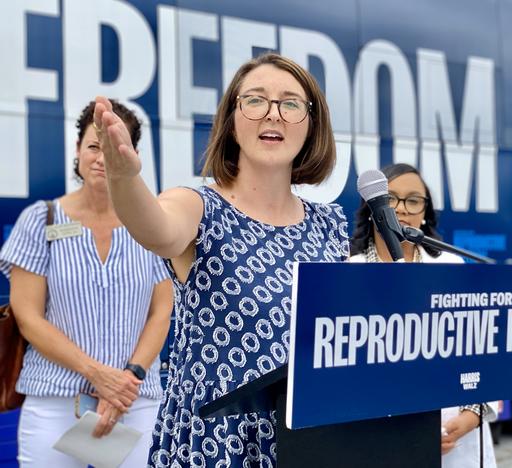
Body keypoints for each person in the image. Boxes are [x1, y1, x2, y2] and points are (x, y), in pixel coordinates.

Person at [92, 53, 349, 467]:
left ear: (311, 125)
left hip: (308, 438)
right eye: (256, 100)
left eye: (290, 103)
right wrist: (125, 179)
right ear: (232, 119)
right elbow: (157, 229)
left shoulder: (329, 224)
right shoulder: (198, 205)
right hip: (217, 443)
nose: (273, 114)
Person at [0, 99, 174, 467]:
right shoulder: (40, 220)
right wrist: (97, 374)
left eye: (113, 148)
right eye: (94, 146)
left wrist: (128, 379)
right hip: (56, 400)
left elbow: (162, 311)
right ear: (77, 150)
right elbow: (28, 317)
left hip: (136, 400)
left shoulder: (152, 223)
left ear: (132, 156)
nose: (101, 157)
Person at [349, 163, 498, 468]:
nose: (401, 209)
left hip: (455, 431)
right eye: (390, 198)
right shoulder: (349, 271)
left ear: (425, 211)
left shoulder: (451, 265)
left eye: (413, 200)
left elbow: (482, 351)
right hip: (381, 435)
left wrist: (471, 416)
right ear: (371, 208)